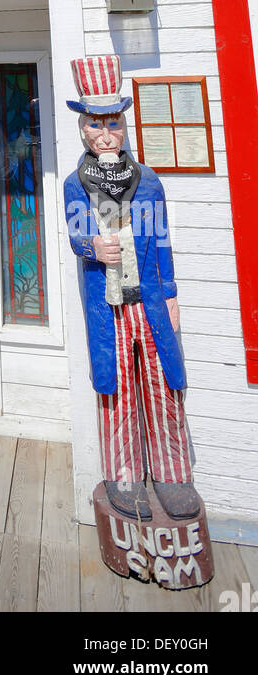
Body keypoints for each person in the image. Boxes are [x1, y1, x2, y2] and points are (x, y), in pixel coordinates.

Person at [63, 55, 200, 522]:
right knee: (116, 382)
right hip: (109, 303)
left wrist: (173, 293)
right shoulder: (75, 184)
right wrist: (90, 247)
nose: (105, 134)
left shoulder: (148, 183)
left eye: (113, 124)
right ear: (84, 129)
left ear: (124, 127)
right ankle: (124, 471)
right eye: (96, 124)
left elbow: (161, 241)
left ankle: (172, 472)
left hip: (150, 302)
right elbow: (76, 234)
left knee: (162, 381)